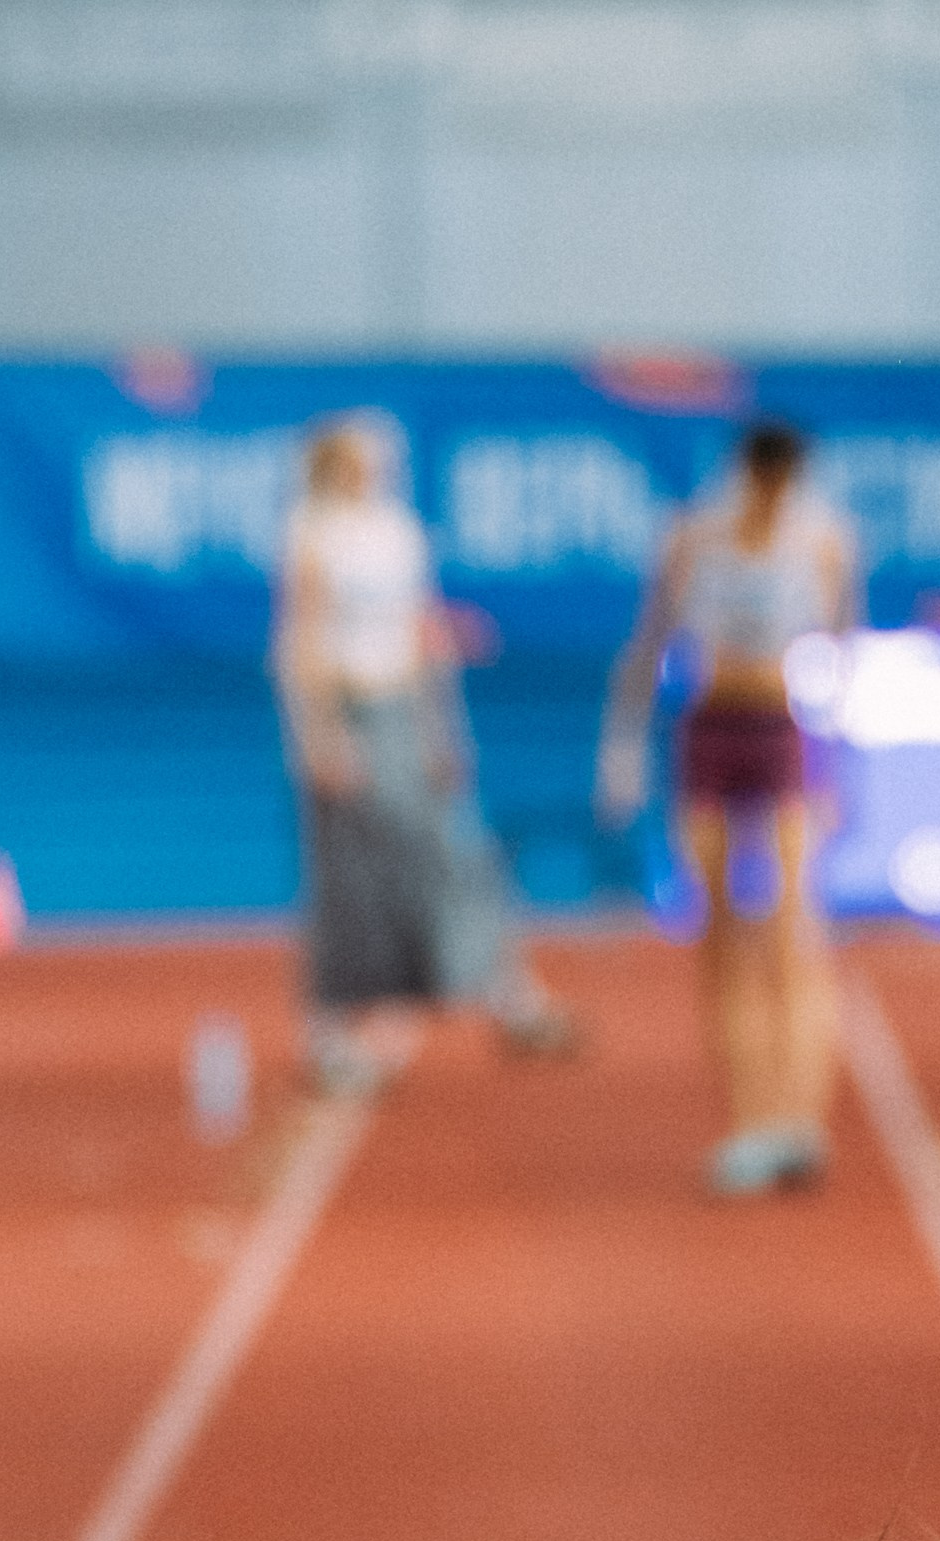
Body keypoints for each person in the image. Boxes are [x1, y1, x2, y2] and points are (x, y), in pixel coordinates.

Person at [273, 418, 572, 1097]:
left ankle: (508, 993)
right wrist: (319, 735)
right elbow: (301, 643)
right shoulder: (312, 534)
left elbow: (421, 638)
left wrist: (444, 732)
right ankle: (331, 1036)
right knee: (348, 881)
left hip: (402, 712)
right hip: (348, 713)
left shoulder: (397, 533)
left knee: (453, 854)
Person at [597, 423, 859, 1196]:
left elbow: (844, 651)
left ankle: (800, 1117)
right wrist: (619, 749)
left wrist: (838, 771)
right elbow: (647, 645)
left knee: (791, 928)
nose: (775, 497)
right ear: (747, 474)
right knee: (717, 932)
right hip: (710, 731)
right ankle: (749, 1118)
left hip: (781, 732)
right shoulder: (693, 535)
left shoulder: (823, 539)